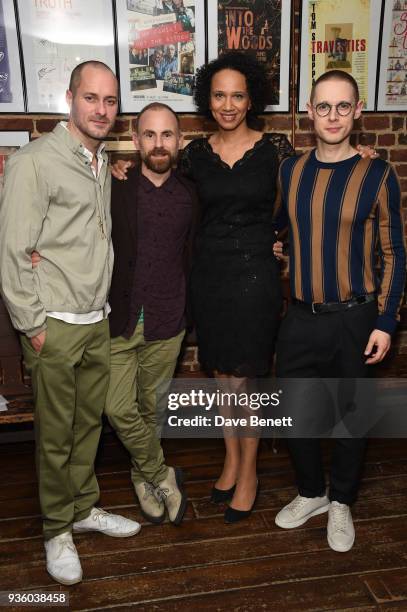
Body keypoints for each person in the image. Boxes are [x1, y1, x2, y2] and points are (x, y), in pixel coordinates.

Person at [112, 55, 376, 525]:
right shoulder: (193, 154)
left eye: (237, 94)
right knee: (221, 378)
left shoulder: (276, 149)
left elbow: (311, 184)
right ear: (207, 100)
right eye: (219, 95)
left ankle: (249, 471)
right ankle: (232, 460)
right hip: (208, 279)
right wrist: (120, 169)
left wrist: (363, 157)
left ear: (251, 97)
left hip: (255, 278)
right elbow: (162, 187)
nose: (228, 104)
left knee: (246, 380)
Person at [0, 61, 141, 587]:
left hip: (95, 320)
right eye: (91, 98)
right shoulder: (35, 162)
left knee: (87, 427)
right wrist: (33, 325)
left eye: (109, 101)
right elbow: (12, 251)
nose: (101, 109)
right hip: (53, 326)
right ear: (70, 99)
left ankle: (83, 507)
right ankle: (56, 529)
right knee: (56, 435)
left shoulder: (99, 161)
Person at [274, 70, 406, 552]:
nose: (333, 116)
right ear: (310, 112)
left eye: (343, 107)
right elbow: (279, 228)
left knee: (352, 414)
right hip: (300, 315)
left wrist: (386, 320)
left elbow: (394, 252)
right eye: (323, 107)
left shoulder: (377, 173)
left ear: (358, 112)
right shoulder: (290, 170)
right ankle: (312, 493)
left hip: (355, 317)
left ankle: (343, 500)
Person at [105, 103, 199, 526]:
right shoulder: (114, 186)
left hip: (168, 319)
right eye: (149, 134)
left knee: (152, 409)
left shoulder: (193, 194)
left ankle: (141, 477)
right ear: (136, 139)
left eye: (166, 135)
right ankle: (161, 473)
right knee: (118, 407)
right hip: (119, 318)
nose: (158, 144)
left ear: (179, 140)